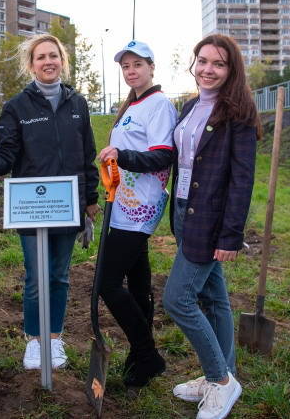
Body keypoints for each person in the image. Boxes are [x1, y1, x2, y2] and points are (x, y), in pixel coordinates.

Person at [0, 33, 99, 371]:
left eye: (53, 56)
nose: (48, 62)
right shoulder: (17, 107)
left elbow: (87, 154)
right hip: (31, 204)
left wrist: (90, 199)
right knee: (36, 277)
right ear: (31, 65)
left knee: (60, 276)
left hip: (67, 205)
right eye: (40, 57)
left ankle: (55, 339)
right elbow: (6, 154)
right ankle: (35, 339)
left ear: (62, 61)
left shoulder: (77, 104)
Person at [162, 34, 261, 419]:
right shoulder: (189, 107)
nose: (208, 69)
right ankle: (223, 375)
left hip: (210, 218)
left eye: (218, 64)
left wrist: (230, 235)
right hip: (184, 209)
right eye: (202, 61)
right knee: (213, 299)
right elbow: (179, 158)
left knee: (178, 299)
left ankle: (219, 381)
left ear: (231, 70)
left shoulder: (238, 112)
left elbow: (242, 180)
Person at [97, 40, 176, 387]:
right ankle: (140, 358)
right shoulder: (132, 104)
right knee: (139, 284)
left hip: (140, 207)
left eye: (137, 65)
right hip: (123, 204)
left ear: (151, 68)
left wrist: (122, 157)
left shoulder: (159, 105)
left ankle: (147, 353)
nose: (131, 71)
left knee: (107, 283)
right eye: (126, 66)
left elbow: (162, 155)